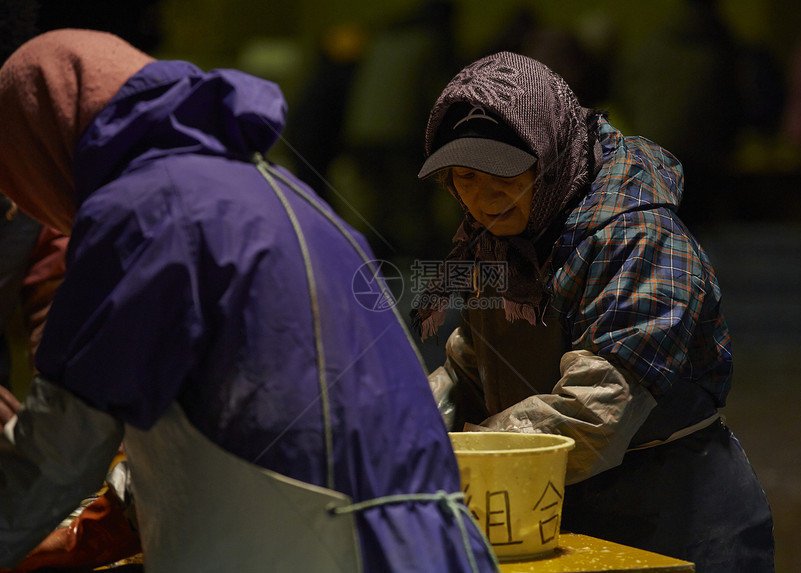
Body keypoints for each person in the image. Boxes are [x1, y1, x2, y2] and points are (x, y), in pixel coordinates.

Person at [0, 29, 498, 573]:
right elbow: (250, 413)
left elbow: (59, 450)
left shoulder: (141, 211)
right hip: (436, 546)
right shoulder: (290, 194)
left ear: (37, 148)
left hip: (312, 550)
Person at [413, 51, 774, 572]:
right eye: (465, 176)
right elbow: (471, 364)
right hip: (560, 513)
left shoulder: (640, 240)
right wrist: (406, 426)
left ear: (549, 153)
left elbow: (592, 417)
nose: (484, 198)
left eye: (504, 173)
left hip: (677, 526)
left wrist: (456, 454)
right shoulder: (499, 240)